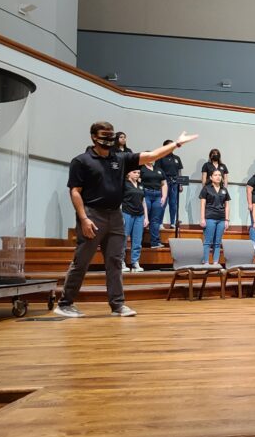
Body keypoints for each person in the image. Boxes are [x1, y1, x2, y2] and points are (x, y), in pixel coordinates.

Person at [55, 121, 197, 318]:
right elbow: (75, 192)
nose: (108, 139)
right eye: (104, 135)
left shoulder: (120, 158)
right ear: (93, 137)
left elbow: (152, 155)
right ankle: (65, 303)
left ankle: (117, 305)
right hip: (92, 214)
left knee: (115, 261)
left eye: (111, 135)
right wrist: (84, 218)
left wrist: (177, 144)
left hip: (115, 215)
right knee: (82, 261)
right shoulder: (82, 161)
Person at [199, 169, 230, 264]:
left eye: (220, 175)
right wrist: (202, 218)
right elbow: (202, 204)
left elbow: (227, 205)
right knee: (208, 241)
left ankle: (215, 263)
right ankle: (206, 262)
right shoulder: (206, 188)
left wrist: (227, 220)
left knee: (217, 243)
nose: (218, 177)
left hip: (221, 219)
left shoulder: (224, 190)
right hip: (210, 218)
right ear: (211, 177)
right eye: (215, 175)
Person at [121, 168, 147, 272]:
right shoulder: (124, 184)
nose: (137, 174)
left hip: (139, 215)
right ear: (128, 173)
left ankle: (135, 262)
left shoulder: (141, 185)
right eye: (134, 172)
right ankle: (121, 262)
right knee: (123, 238)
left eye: (138, 173)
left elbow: (143, 201)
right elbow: (118, 199)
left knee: (137, 240)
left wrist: (146, 217)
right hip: (127, 213)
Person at [139, 157, 168, 248]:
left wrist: (164, 196)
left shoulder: (159, 170)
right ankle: (138, 241)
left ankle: (155, 242)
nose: (152, 159)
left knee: (155, 220)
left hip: (157, 195)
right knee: (142, 219)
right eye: (150, 157)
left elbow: (164, 184)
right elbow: (137, 182)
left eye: (153, 157)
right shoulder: (141, 169)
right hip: (145, 194)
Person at [157, 139, 184, 228]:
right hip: (164, 183)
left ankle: (173, 223)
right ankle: (160, 223)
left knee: (173, 204)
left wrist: (180, 184)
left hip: (175, 182)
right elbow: (157, 171)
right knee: (163, 203)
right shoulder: (160, 157)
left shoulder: (177, 158)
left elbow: (179, 171)